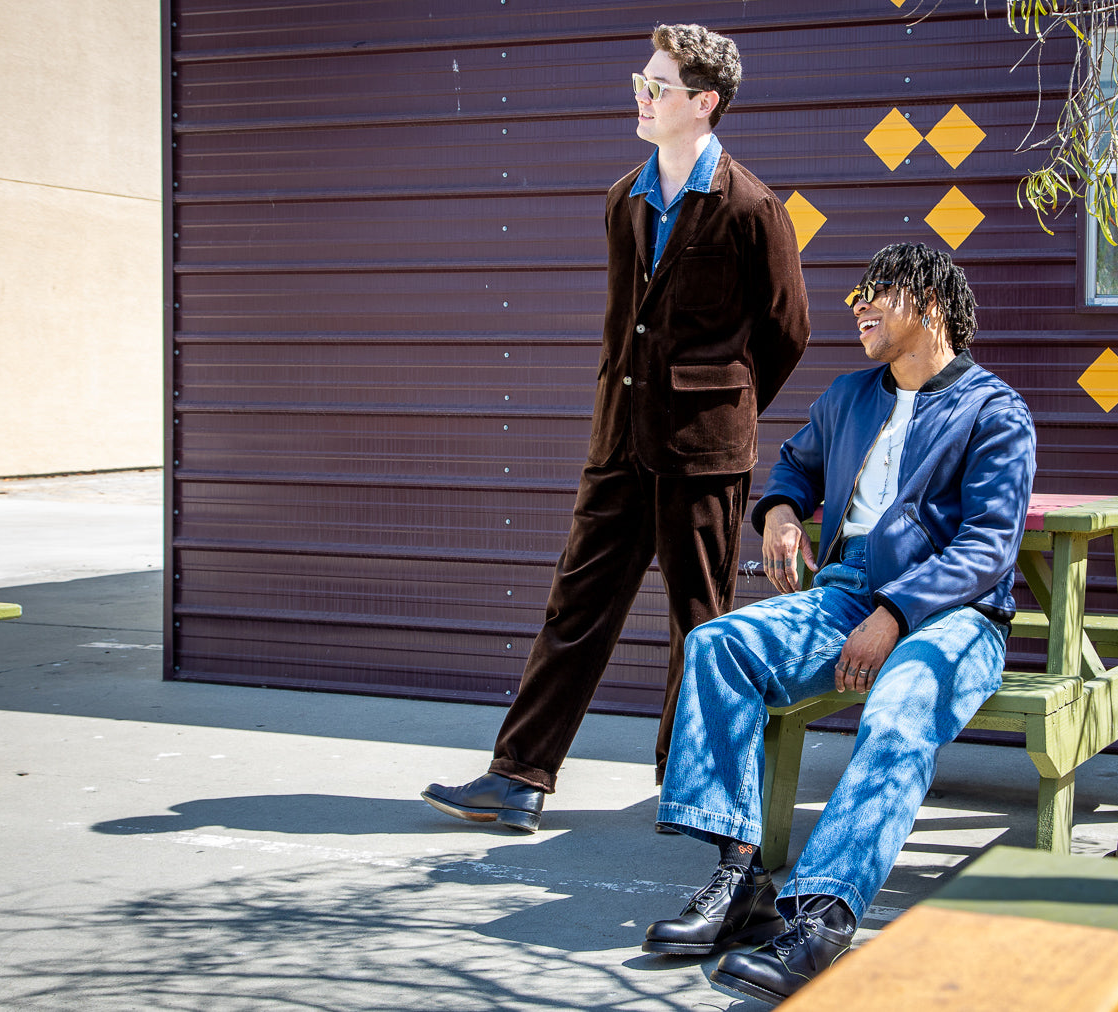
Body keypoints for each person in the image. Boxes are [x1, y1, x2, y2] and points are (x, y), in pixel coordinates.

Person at [421, 24, 809, 833]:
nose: (641, 96)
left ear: (702, 102)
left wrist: (721, 405)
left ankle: (687, 785)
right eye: (641, 81)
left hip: (702, 451)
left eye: (656, 86)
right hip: (617, 441)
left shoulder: (751, 207)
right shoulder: (622, 199)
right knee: (575, 607)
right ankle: (519, 777)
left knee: (699, 623)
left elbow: (787, 331)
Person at [645, 242, 1036, 1004]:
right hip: (845, 595)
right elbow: (796, 465)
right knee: (718, 644)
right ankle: (741, 877)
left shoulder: (994, 411)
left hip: (956, 617)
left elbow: (989, 545)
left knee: (898, 710)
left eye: (878, 291)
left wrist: (896, 612)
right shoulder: (848, 396)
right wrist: (781, 512)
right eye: (857, 293)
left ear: (929, 304)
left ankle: (821, 914)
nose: (859, 305)